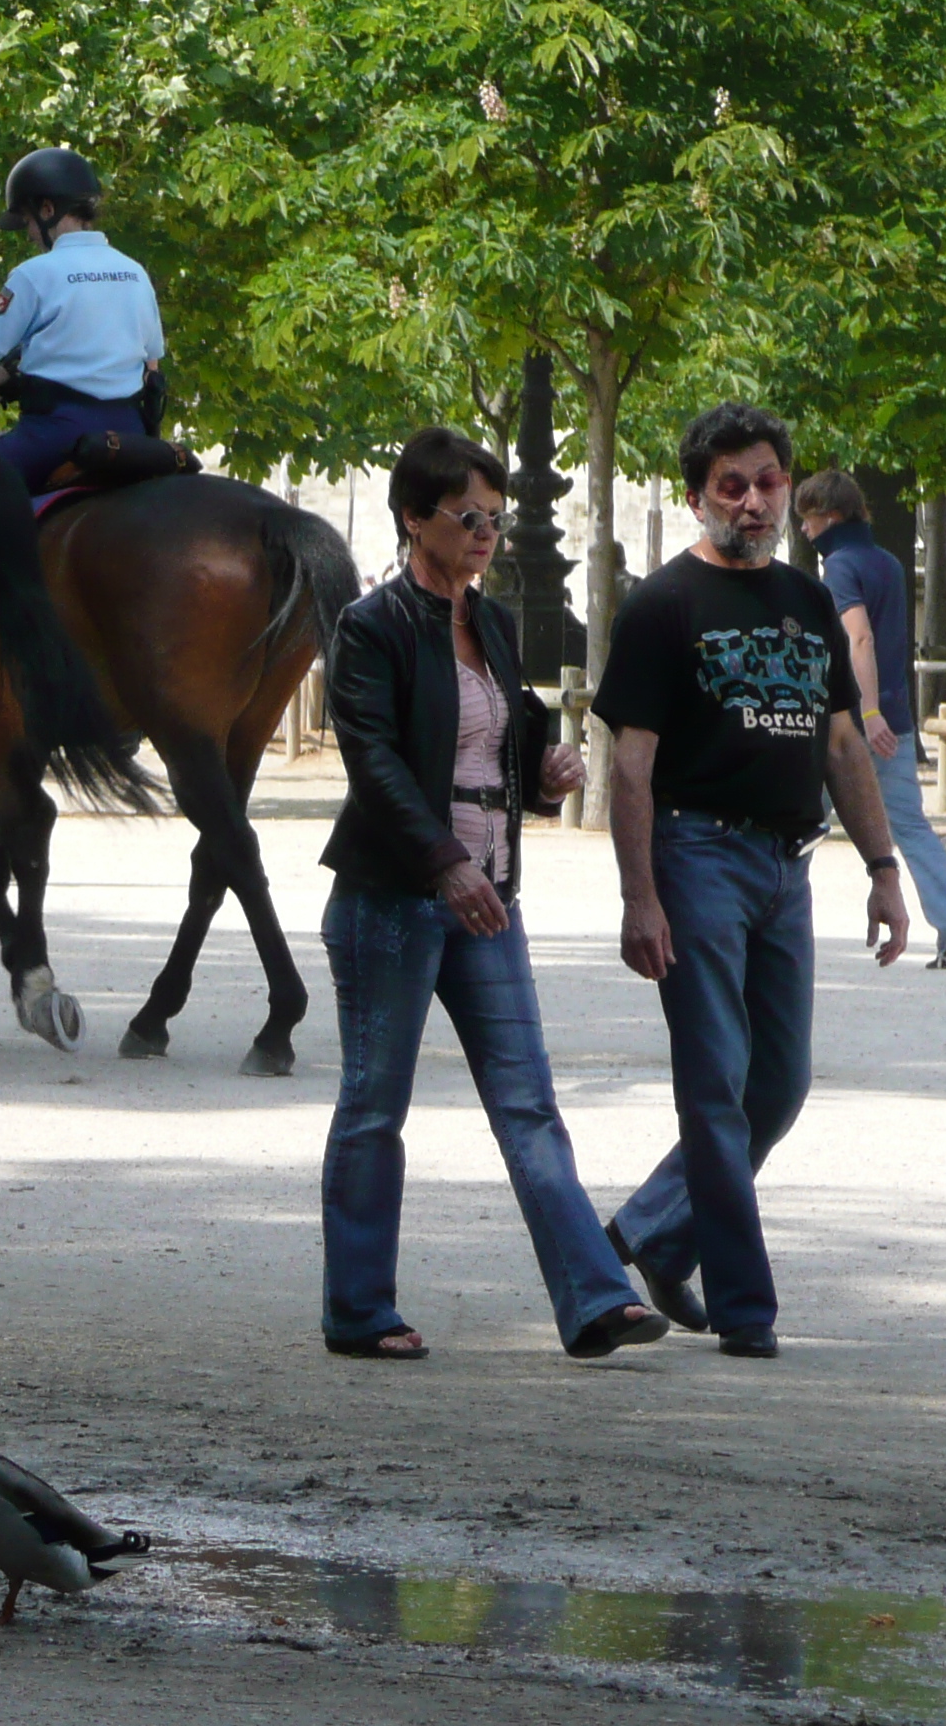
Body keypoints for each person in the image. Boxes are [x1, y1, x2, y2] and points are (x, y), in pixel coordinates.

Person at [314, 427, 659, 1364]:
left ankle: (596, 1300)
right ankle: (359, 1309)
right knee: (374, 1107)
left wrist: (541, 771)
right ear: (413, 519)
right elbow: (377, 765)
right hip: (395, 896)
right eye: (469, 517)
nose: (487, 534)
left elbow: (507, 736)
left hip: (489, 894)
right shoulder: (371, 627)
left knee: (530, 1104)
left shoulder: (492, 622)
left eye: (497, 520)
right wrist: (443, 864)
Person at [595, 402, 909, 1361]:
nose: (753, 499)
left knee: (778, 1081)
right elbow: (630, 763)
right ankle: (746, 1307)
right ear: (697, 496)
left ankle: (646, 1233)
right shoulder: (662, 604)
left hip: (787, 864)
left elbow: (844, 743)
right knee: (715, 1083)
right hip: (696, 855)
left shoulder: (809, 603)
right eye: (731, 484)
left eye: (768, 480)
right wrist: (639, 895)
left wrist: (886, 868)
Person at [797, 471, 946, 971]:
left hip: (851, 720)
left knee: (800, 823)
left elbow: (859, 639)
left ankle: (771, 923)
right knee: (911, 826)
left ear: (830, 515)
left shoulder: (838, 566)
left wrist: (867, 710)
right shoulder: (887, 562)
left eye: (808, 517)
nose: (804, 528)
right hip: (895, 718)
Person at [0, 148, 167, 487]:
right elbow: (152, 368)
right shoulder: (135, 272)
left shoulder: (32, 275)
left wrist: (10, 380)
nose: (28, 232)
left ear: (47, 209)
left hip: (56, 433)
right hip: (129, 434)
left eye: (27, 220)